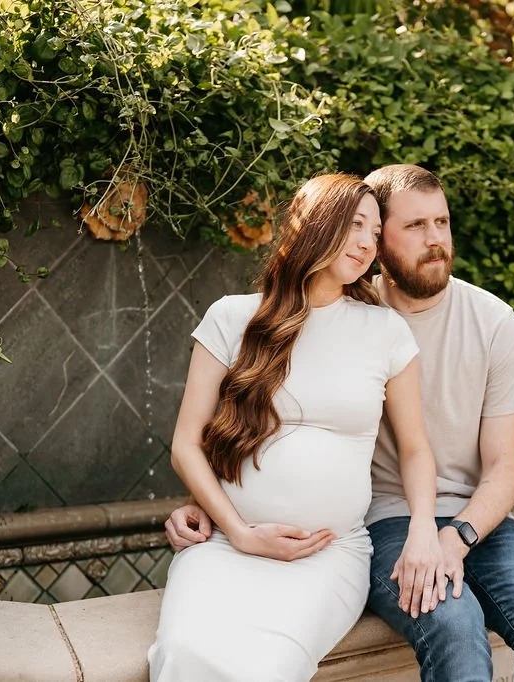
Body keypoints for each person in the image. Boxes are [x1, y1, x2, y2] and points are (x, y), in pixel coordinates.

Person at [165, 164, 514, 681]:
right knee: (454, 628)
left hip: (466, 519)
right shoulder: (336, 301)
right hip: (379, 520)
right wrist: (216, 503)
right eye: (414, 226)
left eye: (442, 222)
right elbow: (261, 419)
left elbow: (504, 466)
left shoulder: (485, 321)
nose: (435, 239)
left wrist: (452, 537)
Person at [147, 173, 447, 682]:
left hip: (327, 556)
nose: (366, 244)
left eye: (374, 234)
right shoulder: (232, 318)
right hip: (226, 547)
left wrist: (424, 528)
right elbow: (186, 445)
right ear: (314, 224)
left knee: (270, 668)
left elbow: (415, 449)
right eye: (355, 226)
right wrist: (240, 533)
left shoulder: (385, 332)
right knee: (180, 654)